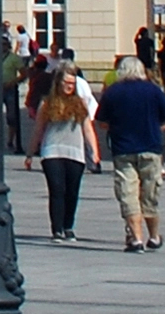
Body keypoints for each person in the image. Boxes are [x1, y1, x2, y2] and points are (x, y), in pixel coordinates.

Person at [98, 50, 165, 252]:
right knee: (150, 195)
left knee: (128, 194)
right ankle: (155, 237)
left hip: (123, 149)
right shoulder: (153, 90)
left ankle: (137, 239)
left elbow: (102, 122)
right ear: (141, 70)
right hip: (150, 148)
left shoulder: (112, 92)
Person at [33, 65, 97, 241]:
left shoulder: (80, 103)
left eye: (73, 83)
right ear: (58, 82)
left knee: (72, 191)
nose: (70, 86)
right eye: (66, 82)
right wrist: (30, 153)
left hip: (75, 153)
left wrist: (94, 152)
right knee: (56, 190)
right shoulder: (47, 103)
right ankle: (57, 229)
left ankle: (69, 226)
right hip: (51, 151)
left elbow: (88, 129)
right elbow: (39, 129)